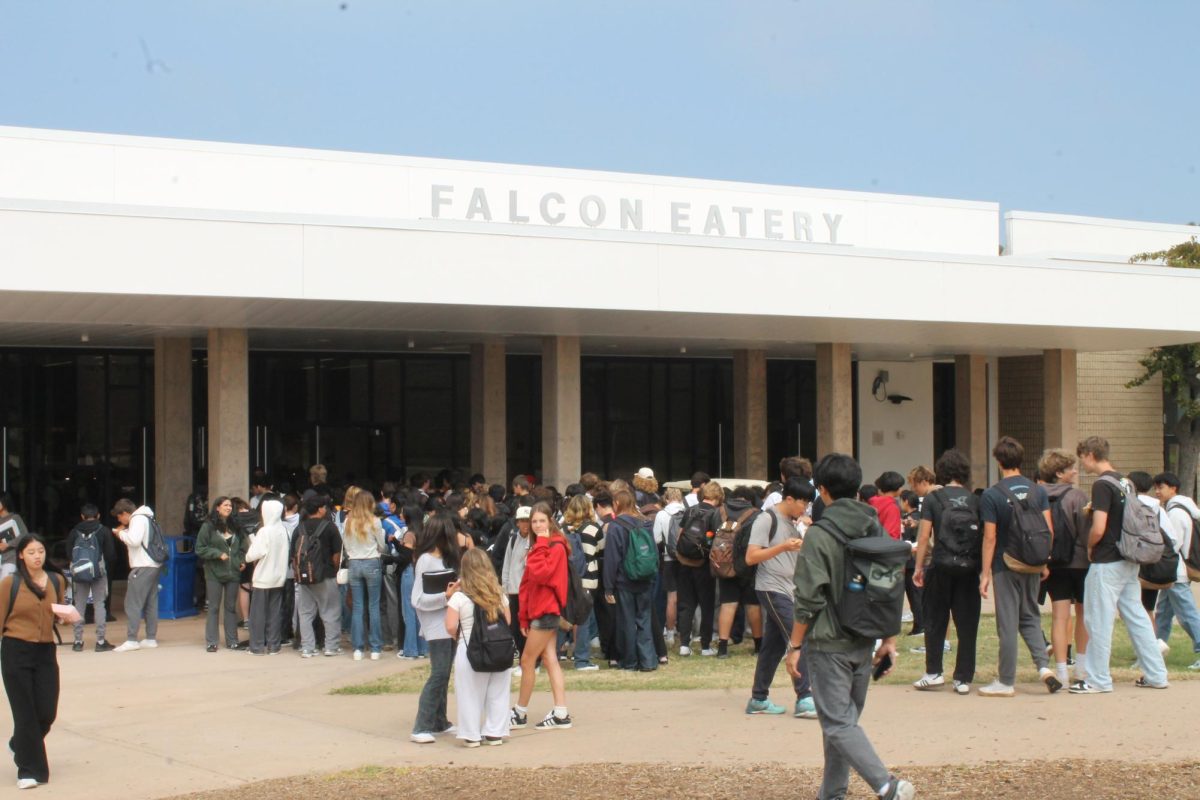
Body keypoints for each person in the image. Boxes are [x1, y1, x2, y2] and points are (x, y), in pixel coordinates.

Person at [785, 454, 915, 800]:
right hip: (865, 638)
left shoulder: (820, 534)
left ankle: (887, 785)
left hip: (829, 641)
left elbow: (808, 598)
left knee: (838, 724)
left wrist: (794, 646)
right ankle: (832, 793)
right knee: (842, 724)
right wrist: (888, 639)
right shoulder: (875, 526)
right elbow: (889, 586)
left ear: (822, 490)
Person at [1072, 436, 1169, 693]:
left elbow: (1100, 526)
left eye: (1082, 457)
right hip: (1129, 557)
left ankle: (1097, 679)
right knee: (1137, 617)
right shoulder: (1125, 481)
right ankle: (1157, 674)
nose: (1082, 463)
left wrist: (1091, 546)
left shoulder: (1102, 485)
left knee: (1098, 620)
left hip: (1107, 560)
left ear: (1091, 454)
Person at [977, 437, 1059, 697]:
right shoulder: (1039, 491)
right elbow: (1049, 530)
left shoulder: (993, 494)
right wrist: (1044, 560)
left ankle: (1006, 680)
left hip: (1006, 563)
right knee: (1031, 616)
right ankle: (1044, 669)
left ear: (998, 461)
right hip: (1033, 563)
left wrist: (985, 573)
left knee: (1008, 622)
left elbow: (990, 537)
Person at [1, 535, 73, 789]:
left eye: (40, 551)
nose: (37, 556)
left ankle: (18, 745)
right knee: (25, 714)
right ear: (21, 555)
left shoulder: (56, 580)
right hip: (15, 650)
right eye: (31, 552)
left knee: (46, 711)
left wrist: (65, 618)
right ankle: (29, 770)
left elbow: (58, 610)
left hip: (45, 651)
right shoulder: (11, 583)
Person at [745, 478, 816, 718]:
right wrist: (783, 547)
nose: (805, 508)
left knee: (772, 647)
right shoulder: (766, 519)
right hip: (771, 587)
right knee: (799, 637)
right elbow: (751, 556)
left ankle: (758, 698)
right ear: (789, 498)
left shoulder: (792, 522)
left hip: (788, 588)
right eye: (803, 502)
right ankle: (805, 697)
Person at [911, 449, 979, 694]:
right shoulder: (974, 499)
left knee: (935, 619)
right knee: (967, 623)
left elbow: (924, 534)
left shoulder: (933, 499)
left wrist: (919, 566)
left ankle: (934, 672)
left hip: (940, 566)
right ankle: (963, 678)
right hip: (969, 569)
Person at [511, 502, 572, 731]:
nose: (536, 525)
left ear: (550, 521)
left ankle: (520, 712)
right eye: (534, 521)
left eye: (541, 521)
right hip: (542, 610)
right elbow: (528, 583)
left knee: (527, 661)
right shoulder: (543, 544)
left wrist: (542, 544)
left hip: (546, 611)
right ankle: (560, 712)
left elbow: (540, 574)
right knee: (548, 660)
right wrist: (524, 616)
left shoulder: (553, 546)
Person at [446, 549, 512, 747]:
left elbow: (450, 626)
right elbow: (507, 620)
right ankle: (495, 732)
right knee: (498, 692)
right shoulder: (499, 594)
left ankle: (471, 734)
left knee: (469, 694)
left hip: (470, 649)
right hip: (499, 648)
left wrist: (448, 597)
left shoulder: (459, 597)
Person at [1038, 450, 1091, 687]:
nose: (1075, 471)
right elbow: (1086, 532)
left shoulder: (1037, 495)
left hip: (1053, 563)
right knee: (1083, 614)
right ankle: (1081, 667)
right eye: (1071, 468)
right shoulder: (1077, 497)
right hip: (1080, 563)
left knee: (1059, 616)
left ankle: (1061, 669)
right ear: (1059, 473)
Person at [410, 515, 460, 744]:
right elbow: (417, 599)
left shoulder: (447, 560)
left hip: (449, 623)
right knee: (439, 674)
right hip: (435, 625)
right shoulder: (425, 561)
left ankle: (440, 721)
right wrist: (445, 596)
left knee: (444, 673)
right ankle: (421, 725)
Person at [603, 489, 657, 672]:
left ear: (617, 504)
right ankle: (648, 661)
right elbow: (653, 552)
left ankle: (630, 661)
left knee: (627, 622)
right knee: (644, 619)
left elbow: (612, 559)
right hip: (645, 578)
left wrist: (608, 587)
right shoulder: (646, 523)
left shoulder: (615, 526)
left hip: (624, 581)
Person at [1153, 471, 1200, 669]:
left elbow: (1173, 544)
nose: (1157, 491)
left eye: (1161, 487)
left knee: (1188, 615)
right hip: (1177, 570)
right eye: (1156, 487)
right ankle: (1154, 652)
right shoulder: (1183, 508)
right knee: (1163, 612)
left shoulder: (1175, 513)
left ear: (1173, 488)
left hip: (1176, 571)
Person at [291, 495, 344, 658]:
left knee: (305, 612)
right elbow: (337, 554)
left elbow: (293, 555)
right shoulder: (330, 527)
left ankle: (307, 647)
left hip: (304, 577)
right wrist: (334, 571)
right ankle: (331, 646)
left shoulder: (299, 528)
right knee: (330, 611)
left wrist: (299, 573)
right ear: (320, 509)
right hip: (325, 574)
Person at [714, 486, 762, 659]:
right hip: (749, 564)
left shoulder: (719, 512)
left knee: (728, 604)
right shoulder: (757, 514)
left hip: (724, 565)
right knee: (753, 605)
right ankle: (758, 646)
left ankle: (722, 648)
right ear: (750, 499)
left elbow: (710, 535)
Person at [195, 496, 247, 653]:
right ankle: (212, 641)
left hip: (233, 573)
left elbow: (244, 547)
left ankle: (232, 641)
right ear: (217, 507)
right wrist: (217, 553)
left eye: (230, 505)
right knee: (213, 607)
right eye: (225, 505)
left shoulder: (237, 526)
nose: (229, 507)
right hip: (214, 573)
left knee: (231, 608)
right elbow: (200, 548)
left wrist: (241, 560)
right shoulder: (208, 526)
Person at [111, 499, 162, 652]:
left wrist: (120, 533)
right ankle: (150, 638)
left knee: (132, 603)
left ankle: (132, 639)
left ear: (125, 513)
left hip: (142, 566)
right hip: (153, 565)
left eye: (120, 517)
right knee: (150, 603)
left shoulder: (137, 519)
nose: (120, 520)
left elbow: (134, 541)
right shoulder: (147, 517)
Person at [675, 482, 720, 657]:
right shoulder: (715, 514)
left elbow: (680, 535)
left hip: (684, 562)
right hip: (703, 565)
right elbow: (717, 541)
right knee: (707, 605)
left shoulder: (691, 510)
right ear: (717, 497)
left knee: (686, 605)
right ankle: (705, 646)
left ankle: (684, 645)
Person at [65, 503, 116, 653]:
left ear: (82, 516)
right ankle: (100, 641)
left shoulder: (74, 531)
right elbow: (111, 554)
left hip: (79, 573)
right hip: (98, 572)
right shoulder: (103, 531)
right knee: (99, 604)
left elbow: (69, 552)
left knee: (79, 605)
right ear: (98, 515)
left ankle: (78, 641)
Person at [342, 490, 386, 661]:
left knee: (357, 607)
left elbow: (345, 545)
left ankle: (357, 648)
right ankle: (375, 647)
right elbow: (382, 546)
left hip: (354, 563)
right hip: (371, 562)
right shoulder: (375, 521)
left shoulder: (347, 521)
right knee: (373, 606)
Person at [244, 497, 289, 656]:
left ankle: (256, 647)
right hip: (279, 577)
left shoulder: (265, 531)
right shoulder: (283, 530)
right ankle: (274, 646)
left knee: (257, 614)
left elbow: (251, 555)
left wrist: (251, 540)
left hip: (263, 578)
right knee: (274, 613)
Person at [563, 493, 601, 671]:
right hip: (587, 580)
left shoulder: (563, 529)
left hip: (567, 579)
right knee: (584, 620)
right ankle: (582, 659)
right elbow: (601, 548)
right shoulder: (592, 528)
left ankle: (555, 654)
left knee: (563, 619)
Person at [501, 504, 534, 668]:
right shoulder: (513, 539)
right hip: (514, 590)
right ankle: (522, 658)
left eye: (528, 521)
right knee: (515, 627)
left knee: (528, 626)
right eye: (522, 521)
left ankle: (531, 660)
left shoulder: (535, 541)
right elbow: (507, 564)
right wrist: (504, 588)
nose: (525, 524)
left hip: (529, 591)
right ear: (517, 522)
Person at [653, 487, 684, 650]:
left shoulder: (661, 514)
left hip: (669, 559)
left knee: (671, 598)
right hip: (687, 559)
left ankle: (670, 633)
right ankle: (687, 632)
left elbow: (656, 538)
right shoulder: (687, 512)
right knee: (687, 597)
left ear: (666, 499)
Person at [0, 493, 29, 581]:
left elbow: (25, 536)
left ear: (4, 503)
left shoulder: (15, 518)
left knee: (5, 583)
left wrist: (8, 544)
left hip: (11, 558)